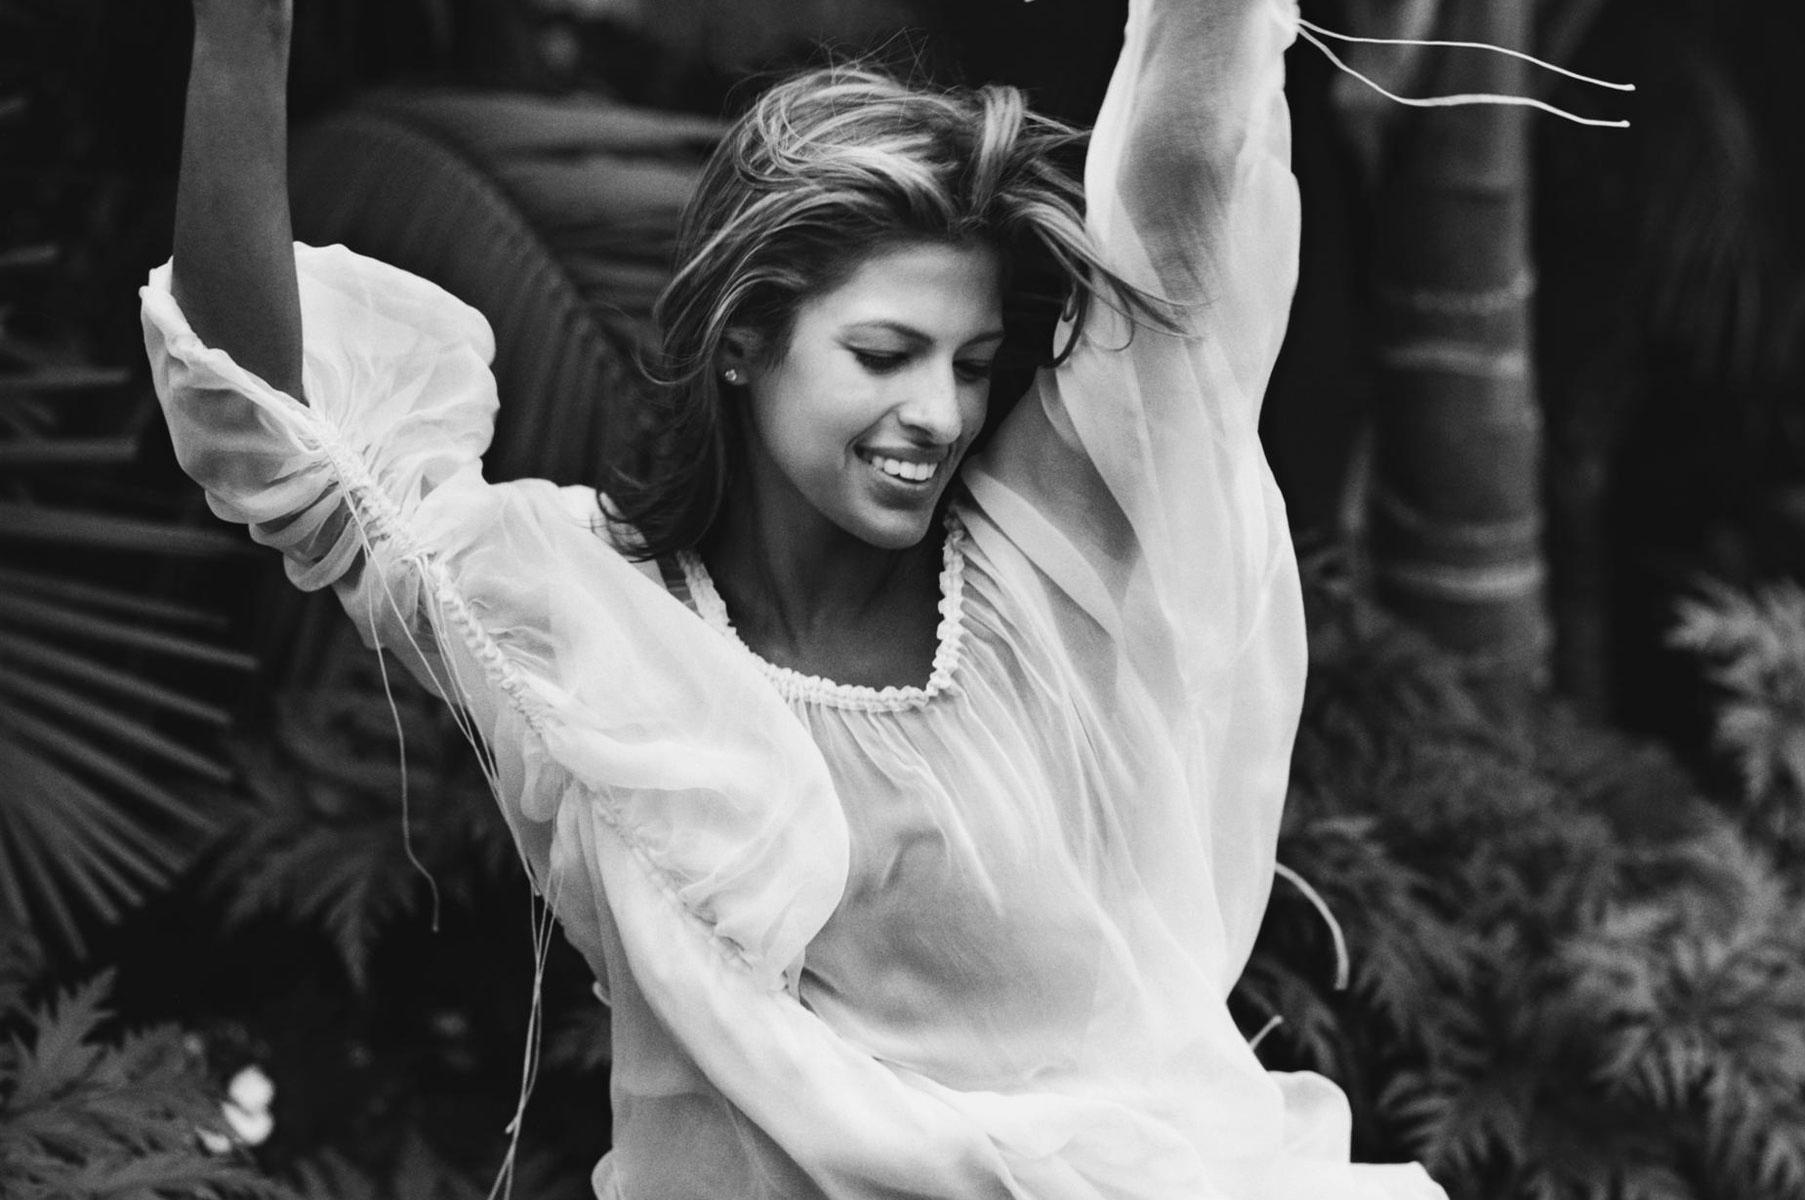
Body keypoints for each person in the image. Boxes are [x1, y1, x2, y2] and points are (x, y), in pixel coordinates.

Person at [145, 0, 1446, 1196]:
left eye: (973, 363)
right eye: (884, 354)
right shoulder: (580, 614)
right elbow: (272, 425)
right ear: (744, 341)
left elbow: (1183, 177)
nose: (939, 413)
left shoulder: (1044, 565)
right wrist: (245, 32)